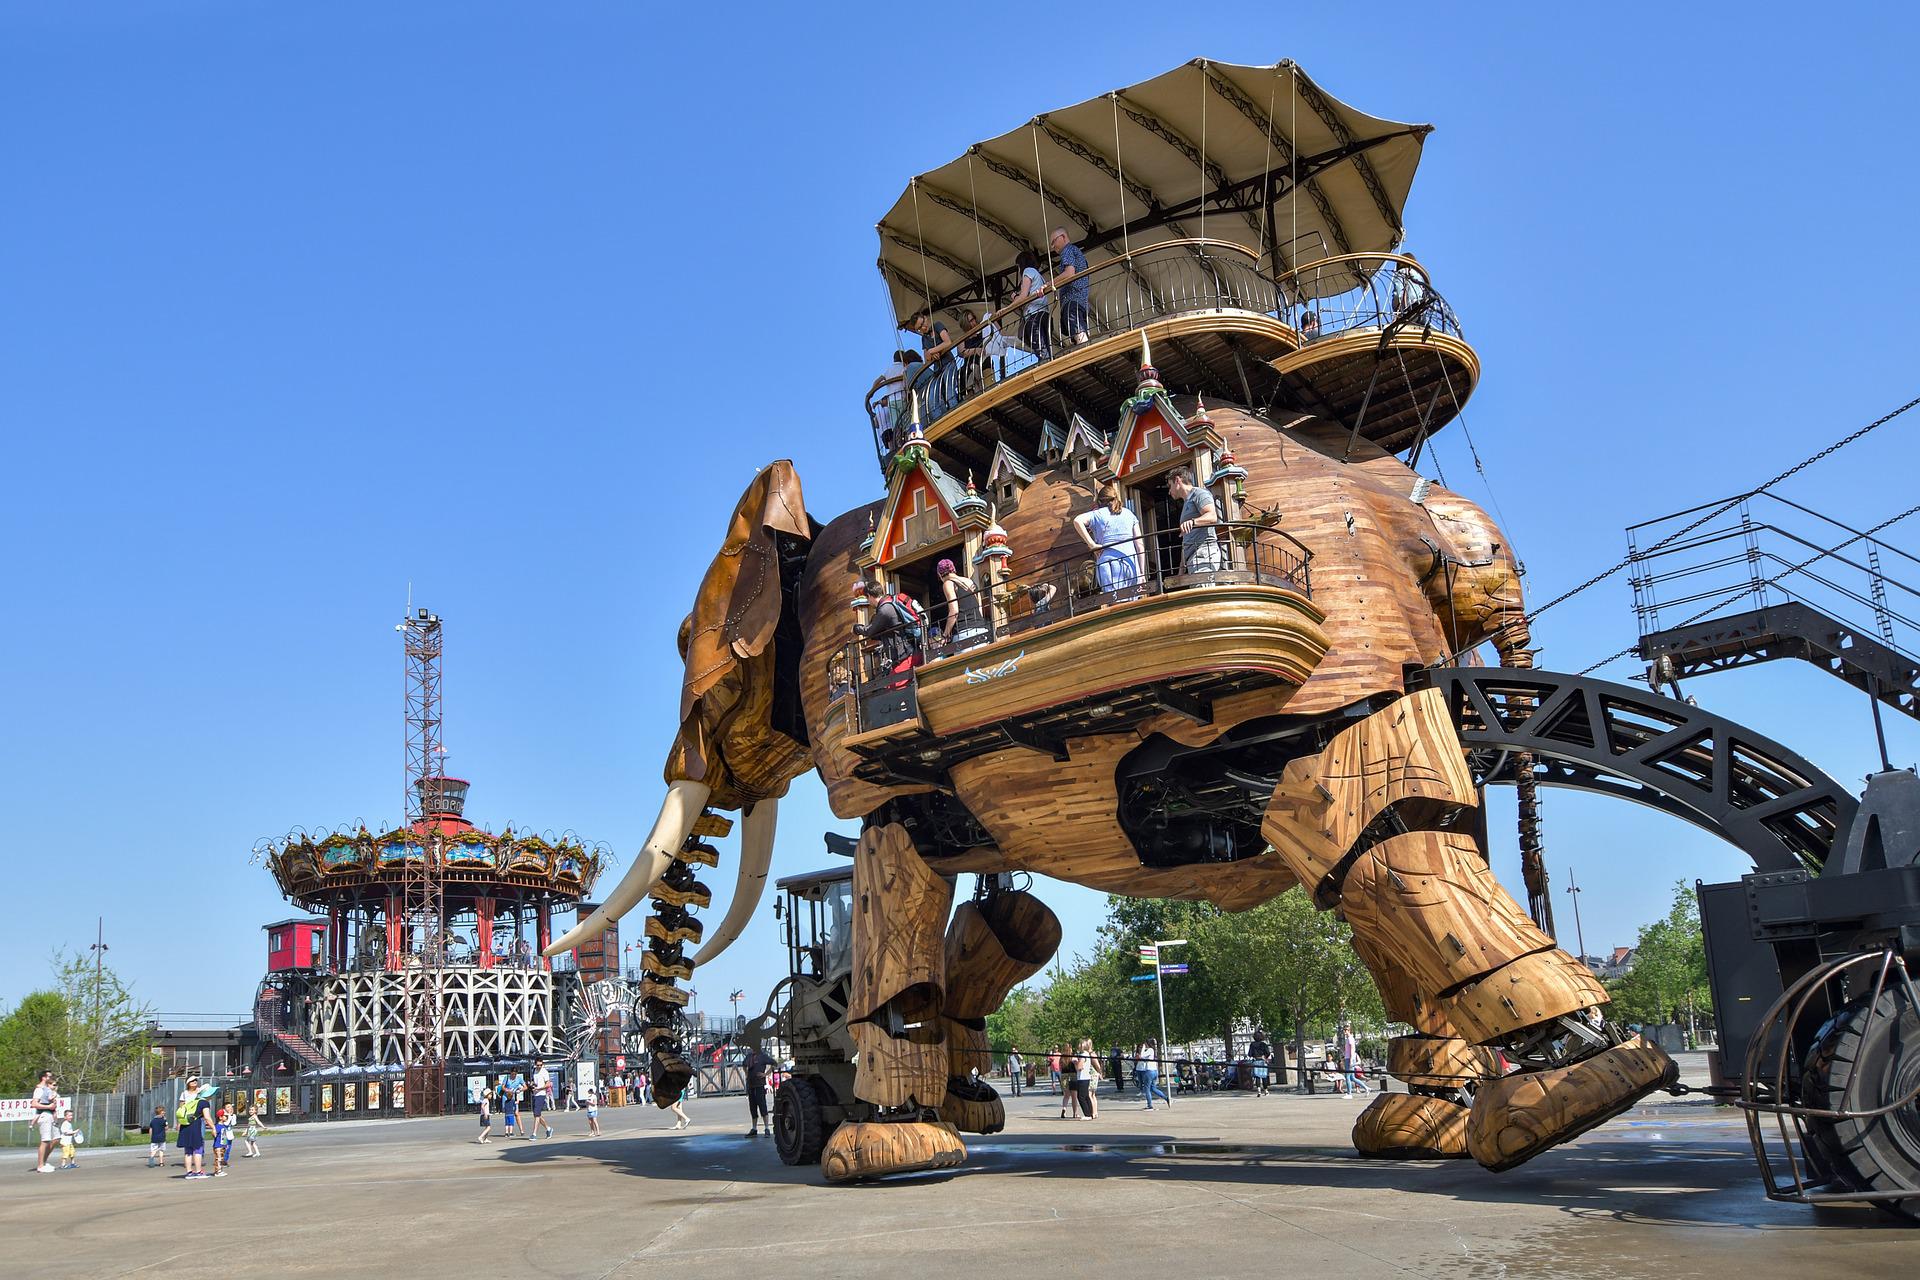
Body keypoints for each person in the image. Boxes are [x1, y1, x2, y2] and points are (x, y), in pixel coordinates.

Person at [1073, 483, 1145, 593]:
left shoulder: (1097, 514)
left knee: (1114, 603)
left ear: (1100, 501)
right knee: (1132, 601)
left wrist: (1092, 544)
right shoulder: (1129, 514)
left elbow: (1077, 521)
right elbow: (1140, 546)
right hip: (1130, 562)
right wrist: (1142, 573)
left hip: (1108, 564)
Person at [853, 571, 926, 678]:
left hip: (906, 655)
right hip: (910, 652)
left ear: (870, 596)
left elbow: (869, 631)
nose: (868, 602)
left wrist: (855, 628)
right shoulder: (890, 603)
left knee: (896, 687)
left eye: (867, 599)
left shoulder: (885, 610)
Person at [1164, 467, 1222, 574]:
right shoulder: (1187, 502)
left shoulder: (1199, 494)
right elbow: (1186, 538)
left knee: (1202, 590)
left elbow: (1212, 516)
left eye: (1169, 486)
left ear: (1177, 480)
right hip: (1194, 558)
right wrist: (1181, 570)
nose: (1169, 491)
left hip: (1204, 553)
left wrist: (1193, 522)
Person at [907, 311, 957, 417]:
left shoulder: (937, 325)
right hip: (938, 369)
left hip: (948, 363)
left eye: (922, 323)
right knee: (933, 399)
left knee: (949, 393)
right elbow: (927, 357)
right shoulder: (924, 338)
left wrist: (932, 350)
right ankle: (941, 418)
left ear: (925, 318)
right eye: (920, 328)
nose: (923, 327)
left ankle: (956, 415)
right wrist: (932, 353)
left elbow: (948, 342)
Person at [1049, 227, 1091, 345]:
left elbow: (1069, 273)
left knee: (1076, 326)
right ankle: (1084, 347)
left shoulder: (1067, 250)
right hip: (1081, 300)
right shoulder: (1076, 252)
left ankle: (1085, 350)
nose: (1053, 246)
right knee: (1077, 326)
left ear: (1062, 237)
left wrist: (1050, 284)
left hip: (1073, 298)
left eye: (1053, 242)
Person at [936, 558, 989, 650]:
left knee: (965, 664)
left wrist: (945, 634)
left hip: (964, 633)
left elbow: (954, 611)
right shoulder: (970, 581)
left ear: (940, 574)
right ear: (953, 569)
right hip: (981, 629)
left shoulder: (948, 583)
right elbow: (979, 607)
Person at [1011, 249, 1052, 362]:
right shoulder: (1039, 276)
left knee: (1040, 348)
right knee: (1045, 346)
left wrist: (1011, 303)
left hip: (1034, 316)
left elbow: (1023, 296)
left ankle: (1046, 366)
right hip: (1044, 314)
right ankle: (1048, 363)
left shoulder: (1027, 271)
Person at [176, 1075, 215, 1179]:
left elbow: (181, 1109)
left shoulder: (194, 1099)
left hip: (185, 1124)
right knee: (197, 1147)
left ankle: (189, 1172)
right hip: (195, 1123)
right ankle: (198, 1171)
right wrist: (213, 1127)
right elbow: (207, 1117)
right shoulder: (203, 1102)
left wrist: (180, 1122)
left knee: (188, 1149)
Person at [31, 1070, 59, 1173]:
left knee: (56, 1139)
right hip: (45, 1115)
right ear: (44, 1078)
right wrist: (48, 1106)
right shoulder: (39, 1089)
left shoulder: (48, 1089)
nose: (51, 1078)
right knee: (45, 1140)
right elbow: (34, 1104)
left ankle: (44, 1162)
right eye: (49, 1076)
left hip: (51, 1115)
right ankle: (40, 1165)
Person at [744, 1047, 770, 1137]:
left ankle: (767, 1128)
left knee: (763, 1106)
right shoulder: (749, 1056)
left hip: (760, 1085)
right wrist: (747, 1074)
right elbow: (744, 1065)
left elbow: (775, 1064)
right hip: (751, 1085)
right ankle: (754, 1128)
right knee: (753, 1107)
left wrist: (766, 1074)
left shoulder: (763, 1056)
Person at [1136, 1042, 1170, 1109]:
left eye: (1144, 1044)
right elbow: (1143, 1058)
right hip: (1154, 1071)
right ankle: (1166, 1098)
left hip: (1149, 1072)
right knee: (1153, 1088)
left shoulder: (1150, 1050)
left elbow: (1142, 1055)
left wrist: (1143, 1048)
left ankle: (1150, 1105)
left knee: (1147, 1089)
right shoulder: (1151, 1051)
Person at [1075, 1038, 1101, 1119]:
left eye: (1080, 1044)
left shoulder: (1083, 1055)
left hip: (1082, 1078)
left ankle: (1087, 1114)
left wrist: (1075, 1062)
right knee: (1086, 1096)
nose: (1078, 1046)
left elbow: (1079, 1067)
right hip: (1086, 1077)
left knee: (1081, 1097)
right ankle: (1091, 1113)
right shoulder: (1086, 1054)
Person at [529, 1059, 555, 1138]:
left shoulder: (544, 1072)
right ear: (535, 1064)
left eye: (541, 1065)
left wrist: (539, 1088)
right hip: (535, 1094)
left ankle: (534, 1134)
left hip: (541, 1094)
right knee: (537, 1115)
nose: (539, 1066)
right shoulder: (534, 1071)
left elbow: (548, 1084)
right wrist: (532, 1084)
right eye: (538, 1065)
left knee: (537, 1115)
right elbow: (533, 1081)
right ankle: (548, 1128)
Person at [1248, 1031, 1273, 1097]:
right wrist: (1265, 1057)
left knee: (1257, 1076)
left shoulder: (1252, 1044)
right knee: (1264, 1076)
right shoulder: (1263, 1044)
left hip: (1256, 1061)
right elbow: (1268, 1053)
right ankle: (1266, 1090)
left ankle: (1259, 1091)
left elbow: (1249, 1054)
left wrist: (1254, 1056)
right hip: (1262, 1061)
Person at [500, 1070, 521, 1137]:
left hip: (506, 1114)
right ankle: (511, 1132)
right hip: (511, 1114)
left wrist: (505, 1111)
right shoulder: (512, 1101)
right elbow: (515, 1106)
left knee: (506, 1124)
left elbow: (504, 1107)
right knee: (511, 1124)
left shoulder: (506, 1101)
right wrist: (517, 1102)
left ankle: (506, 1133)